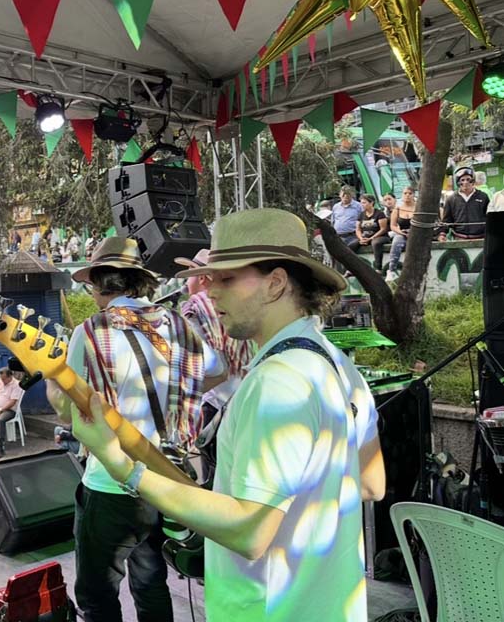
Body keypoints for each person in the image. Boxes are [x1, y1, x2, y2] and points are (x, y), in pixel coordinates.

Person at [67, 209, 385, 622]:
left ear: (276, 283)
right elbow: (371, 483)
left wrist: (124, 468)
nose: (210, 291)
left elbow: (249, 532)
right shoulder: (339, 364)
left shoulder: (276, 383)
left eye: (226, 279)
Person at [43, 236, 221, 622]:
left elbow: (68, 411)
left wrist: (52, 381)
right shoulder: (175, 323)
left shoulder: (91, 331)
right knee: (151, 581)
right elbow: (218, 370)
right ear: (138, 281)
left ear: (99, 284)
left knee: (97, 592)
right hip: (167, 476)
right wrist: (179, 391)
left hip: (111, 482)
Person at [175, 248, 256, 480]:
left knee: (217, 478)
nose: (186, 283)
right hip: (245, 395)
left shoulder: (194, 307)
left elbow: (211, 364)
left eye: (189, 274)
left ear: (201, 277)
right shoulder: (239, 304)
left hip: (217, 405)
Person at [439, 166, 490, 241]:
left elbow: (489, 217)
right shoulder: (451, 199)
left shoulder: (483, 197)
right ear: (458, 182)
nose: (465, 182)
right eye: (462, 180)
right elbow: (447, 220)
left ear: (473, 180)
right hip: (459, 238)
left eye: (468, 179)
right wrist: (442, 234)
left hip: (481, 238)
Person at [348, 194, 389, 273]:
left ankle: (378, 268)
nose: (362, 205)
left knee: (376, 243)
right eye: (361, 203)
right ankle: (351, 268)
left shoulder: (379, 214)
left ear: (371, 203)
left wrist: (371, 238)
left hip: (379, 236)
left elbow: (383, 229)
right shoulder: (361, 215)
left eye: (364, 203)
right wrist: (361, 238)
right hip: (364, 236)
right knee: (351, 246)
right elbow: (358, 229)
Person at [387, 185, 416, 281]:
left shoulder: (418, 208)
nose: (407, 195)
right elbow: (393, 226)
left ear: (413, 195)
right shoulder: (397, 209)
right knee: (396, 242)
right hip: (402, 232)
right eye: (405, 193)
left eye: (410, 193)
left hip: (416, 233)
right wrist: (400, 232)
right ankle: (391, 269)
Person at [331, 185, 363, 249]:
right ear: (340, 195)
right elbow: (333, 221)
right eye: (343, 196)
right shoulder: (336, 207)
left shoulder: (358, 206)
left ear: (351, 195)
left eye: (347, 196)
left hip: (353, 236)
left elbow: (363, 220)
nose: (345, 198)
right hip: (339, 236)